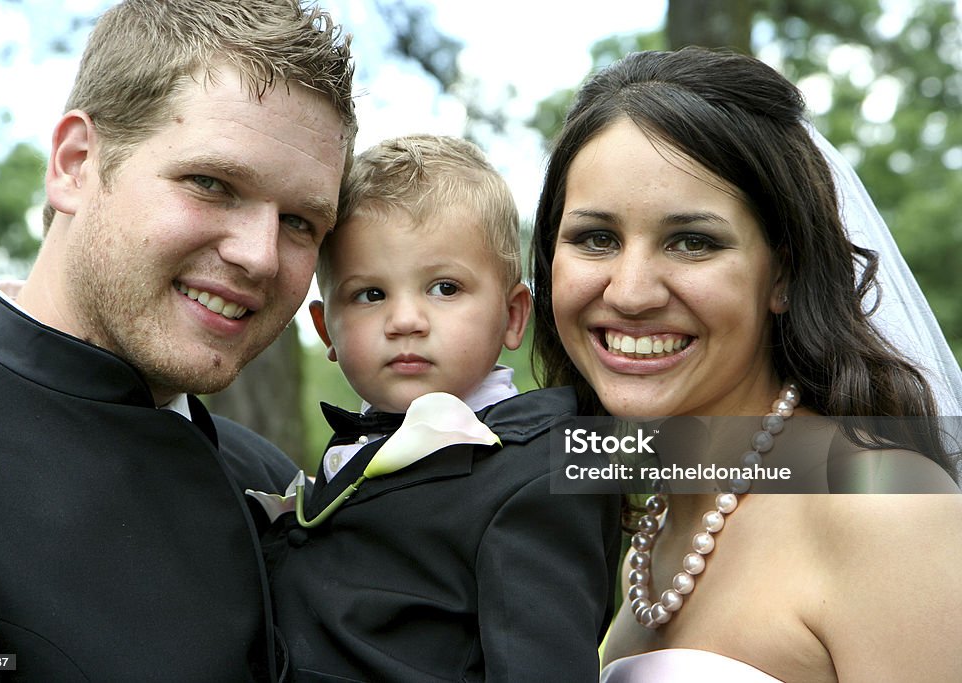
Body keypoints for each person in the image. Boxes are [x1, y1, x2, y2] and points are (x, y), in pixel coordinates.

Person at [0, 1, 354, 680]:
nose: (261, 256)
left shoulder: (276, 482)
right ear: (75, 164)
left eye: (302, 222)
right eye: (212, 183)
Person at [529, 47, 962, 681]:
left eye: (692, 241)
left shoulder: (885, 508)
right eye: (597, 238)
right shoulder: (641, 542)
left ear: (782, 272)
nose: (629, 291)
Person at [261, 134, 622, 681]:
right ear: (324, 329)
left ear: (512, 316)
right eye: (370, 295)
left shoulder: (536, 470)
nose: (406, 319)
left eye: (445, 288)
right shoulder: (343, 452)